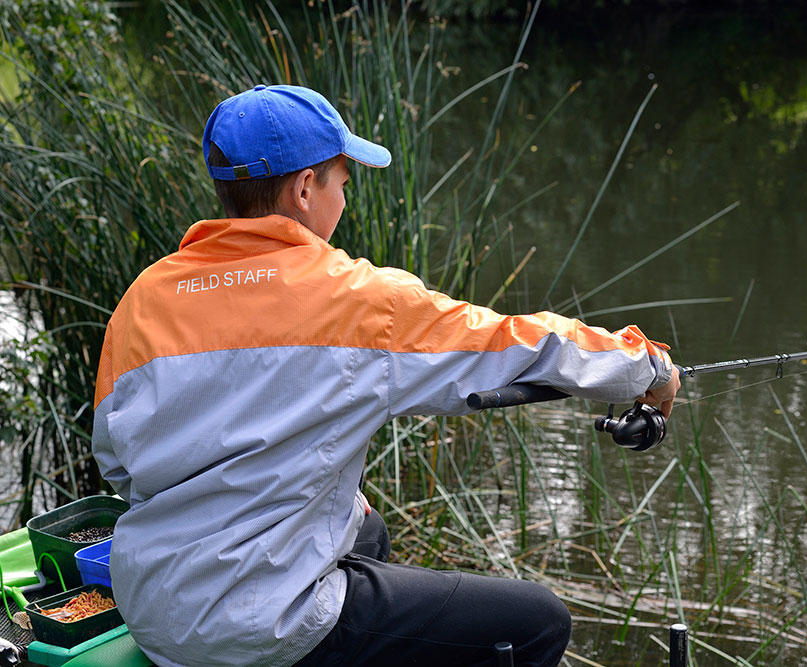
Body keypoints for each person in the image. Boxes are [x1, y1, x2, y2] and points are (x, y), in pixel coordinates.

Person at [91, 84, 680, 667]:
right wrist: (648, 366)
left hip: (155, 611)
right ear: (303, 188)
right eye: (341, 182)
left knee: (366, 531)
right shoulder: (357, 300)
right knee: (538, 622)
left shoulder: (142, 300)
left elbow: (118, 464)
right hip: (265, 625)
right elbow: (513, 342)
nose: (343, 200)